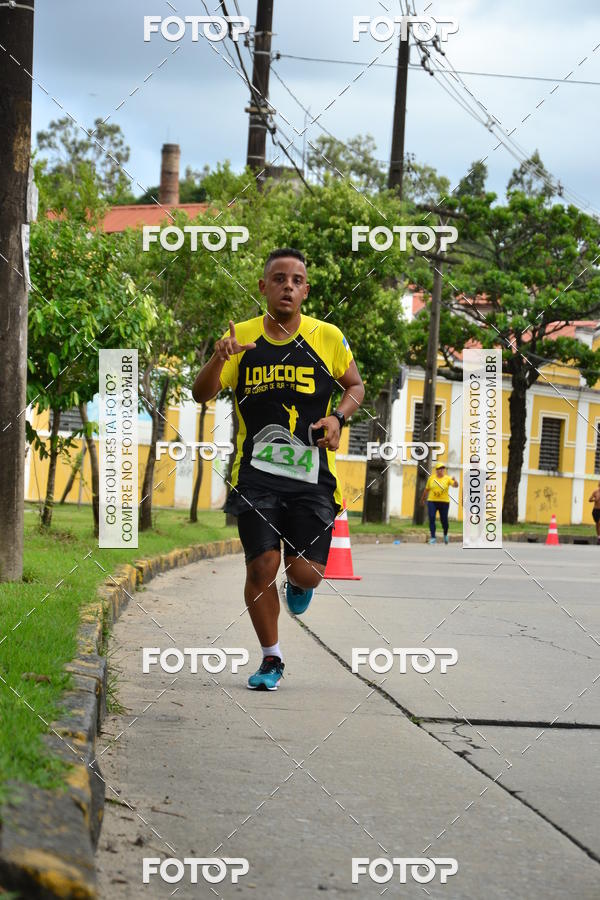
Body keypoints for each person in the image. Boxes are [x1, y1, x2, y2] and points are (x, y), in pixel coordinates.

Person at [191, 248, 364, 690]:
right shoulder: (241, 337)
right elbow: (201, 394)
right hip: (258, 473)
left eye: (297, 279)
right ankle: (272, 658)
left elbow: (355, 386)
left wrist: (338, 418)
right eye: (279, 278)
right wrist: (217, 356)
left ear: (305, 290)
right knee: (260, 566)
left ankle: (300, 584)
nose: (288, 285)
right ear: (264, 286)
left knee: (305, 572)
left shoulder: (327, 337)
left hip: (312, 475)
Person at [421, 462, 458, 544]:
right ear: (436, 470)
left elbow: (455, 486)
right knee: (431, 517)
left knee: (444, 520)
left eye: (442, 469)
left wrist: (455, 481)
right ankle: (433, 537)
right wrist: (422, 499)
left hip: (444, 502)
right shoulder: (431, 478)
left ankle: (445, 535)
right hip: (432, 501)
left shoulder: (447, 478)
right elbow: (426, 489)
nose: (441, 470)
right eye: (439, 469)